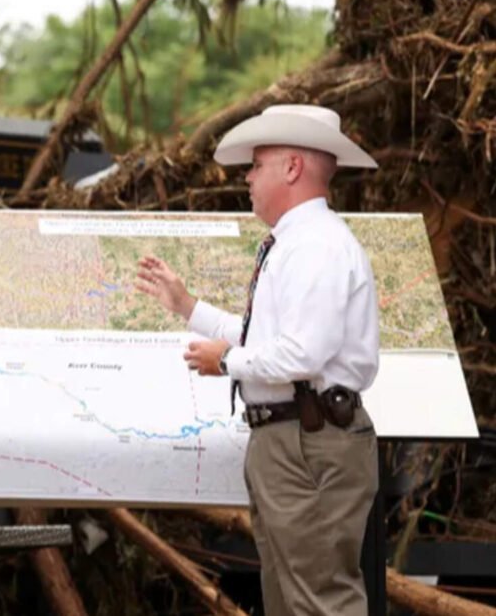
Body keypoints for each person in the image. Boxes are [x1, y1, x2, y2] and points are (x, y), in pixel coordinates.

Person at [136, 104, 380, 616]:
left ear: (292, 167)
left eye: (258, 163)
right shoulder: (302, 242)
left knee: (317, 599)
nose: (247, 176)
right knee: (295, 597)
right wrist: (188, 308)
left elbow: (300, 354)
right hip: (297, 438)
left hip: (307, 442)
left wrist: (227, 363)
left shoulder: (316, 246)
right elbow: (266, 339)